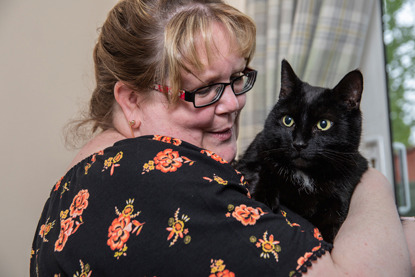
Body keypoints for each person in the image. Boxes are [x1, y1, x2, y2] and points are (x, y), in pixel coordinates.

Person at [30, 0, 413, 276]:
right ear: (132, 101)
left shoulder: (78, 184)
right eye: (204, 89)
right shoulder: (163, 181)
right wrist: (370, 180)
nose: (233, 103)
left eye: (237, 79)